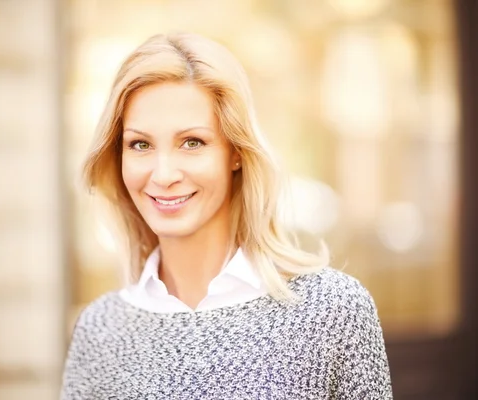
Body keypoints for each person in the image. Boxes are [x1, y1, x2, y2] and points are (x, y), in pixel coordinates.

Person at [61, 32, 392, 399]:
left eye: (192, 143)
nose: (164, 174)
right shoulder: (100, 331)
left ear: (235, 153)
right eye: (141, 144)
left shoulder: (332, 311)